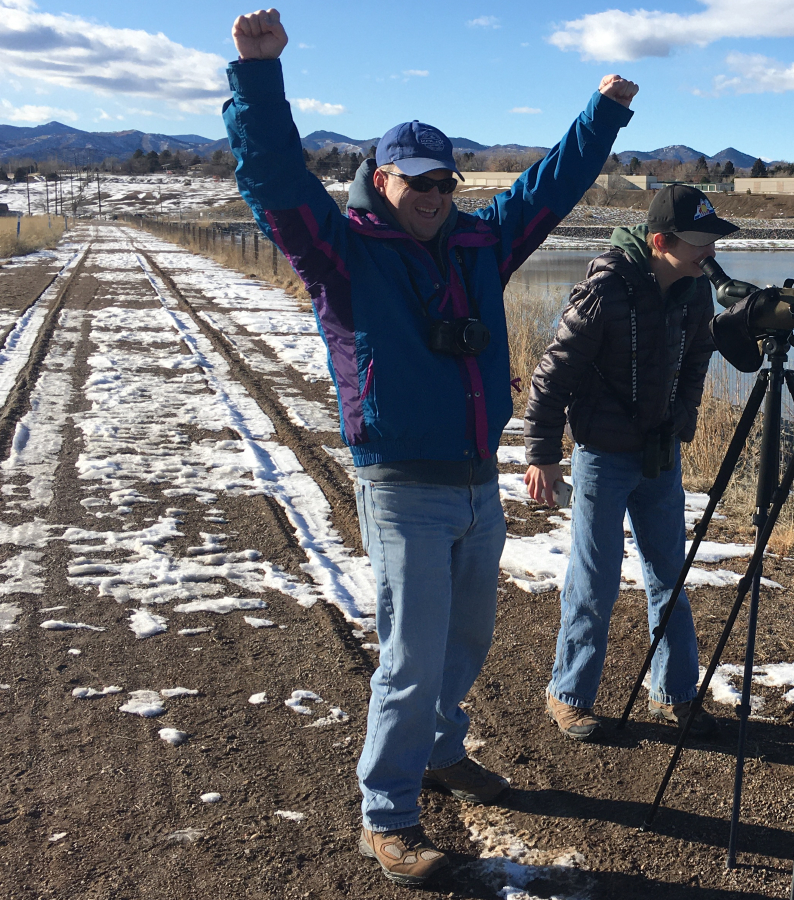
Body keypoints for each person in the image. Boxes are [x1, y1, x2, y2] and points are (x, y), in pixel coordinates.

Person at [224, 8, 637, 886]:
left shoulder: (481, 244)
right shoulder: (341, 253)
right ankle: (388, 814)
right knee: (412, 654)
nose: (434, 193)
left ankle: (444, 752)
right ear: (381, 179)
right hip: (401, 482)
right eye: (416, 181)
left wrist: (601, 114)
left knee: (467, 639)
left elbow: (548, 189)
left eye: (444, 180)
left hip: (475, 480)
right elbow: (273, 180)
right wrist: (257, 74)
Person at [523, 185, 738, 741]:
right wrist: (543, 455)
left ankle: (675, 694)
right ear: (661, 241)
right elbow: (553, 375)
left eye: (713, 242)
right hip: (601, 456)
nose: (709, 254)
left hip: (659, 455)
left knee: (671, 575)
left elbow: (697, 356)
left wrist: (684, 415)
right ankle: (567, 694)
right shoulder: (606, 289)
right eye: (700, 243)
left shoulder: (694, 291)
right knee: (594, 580)